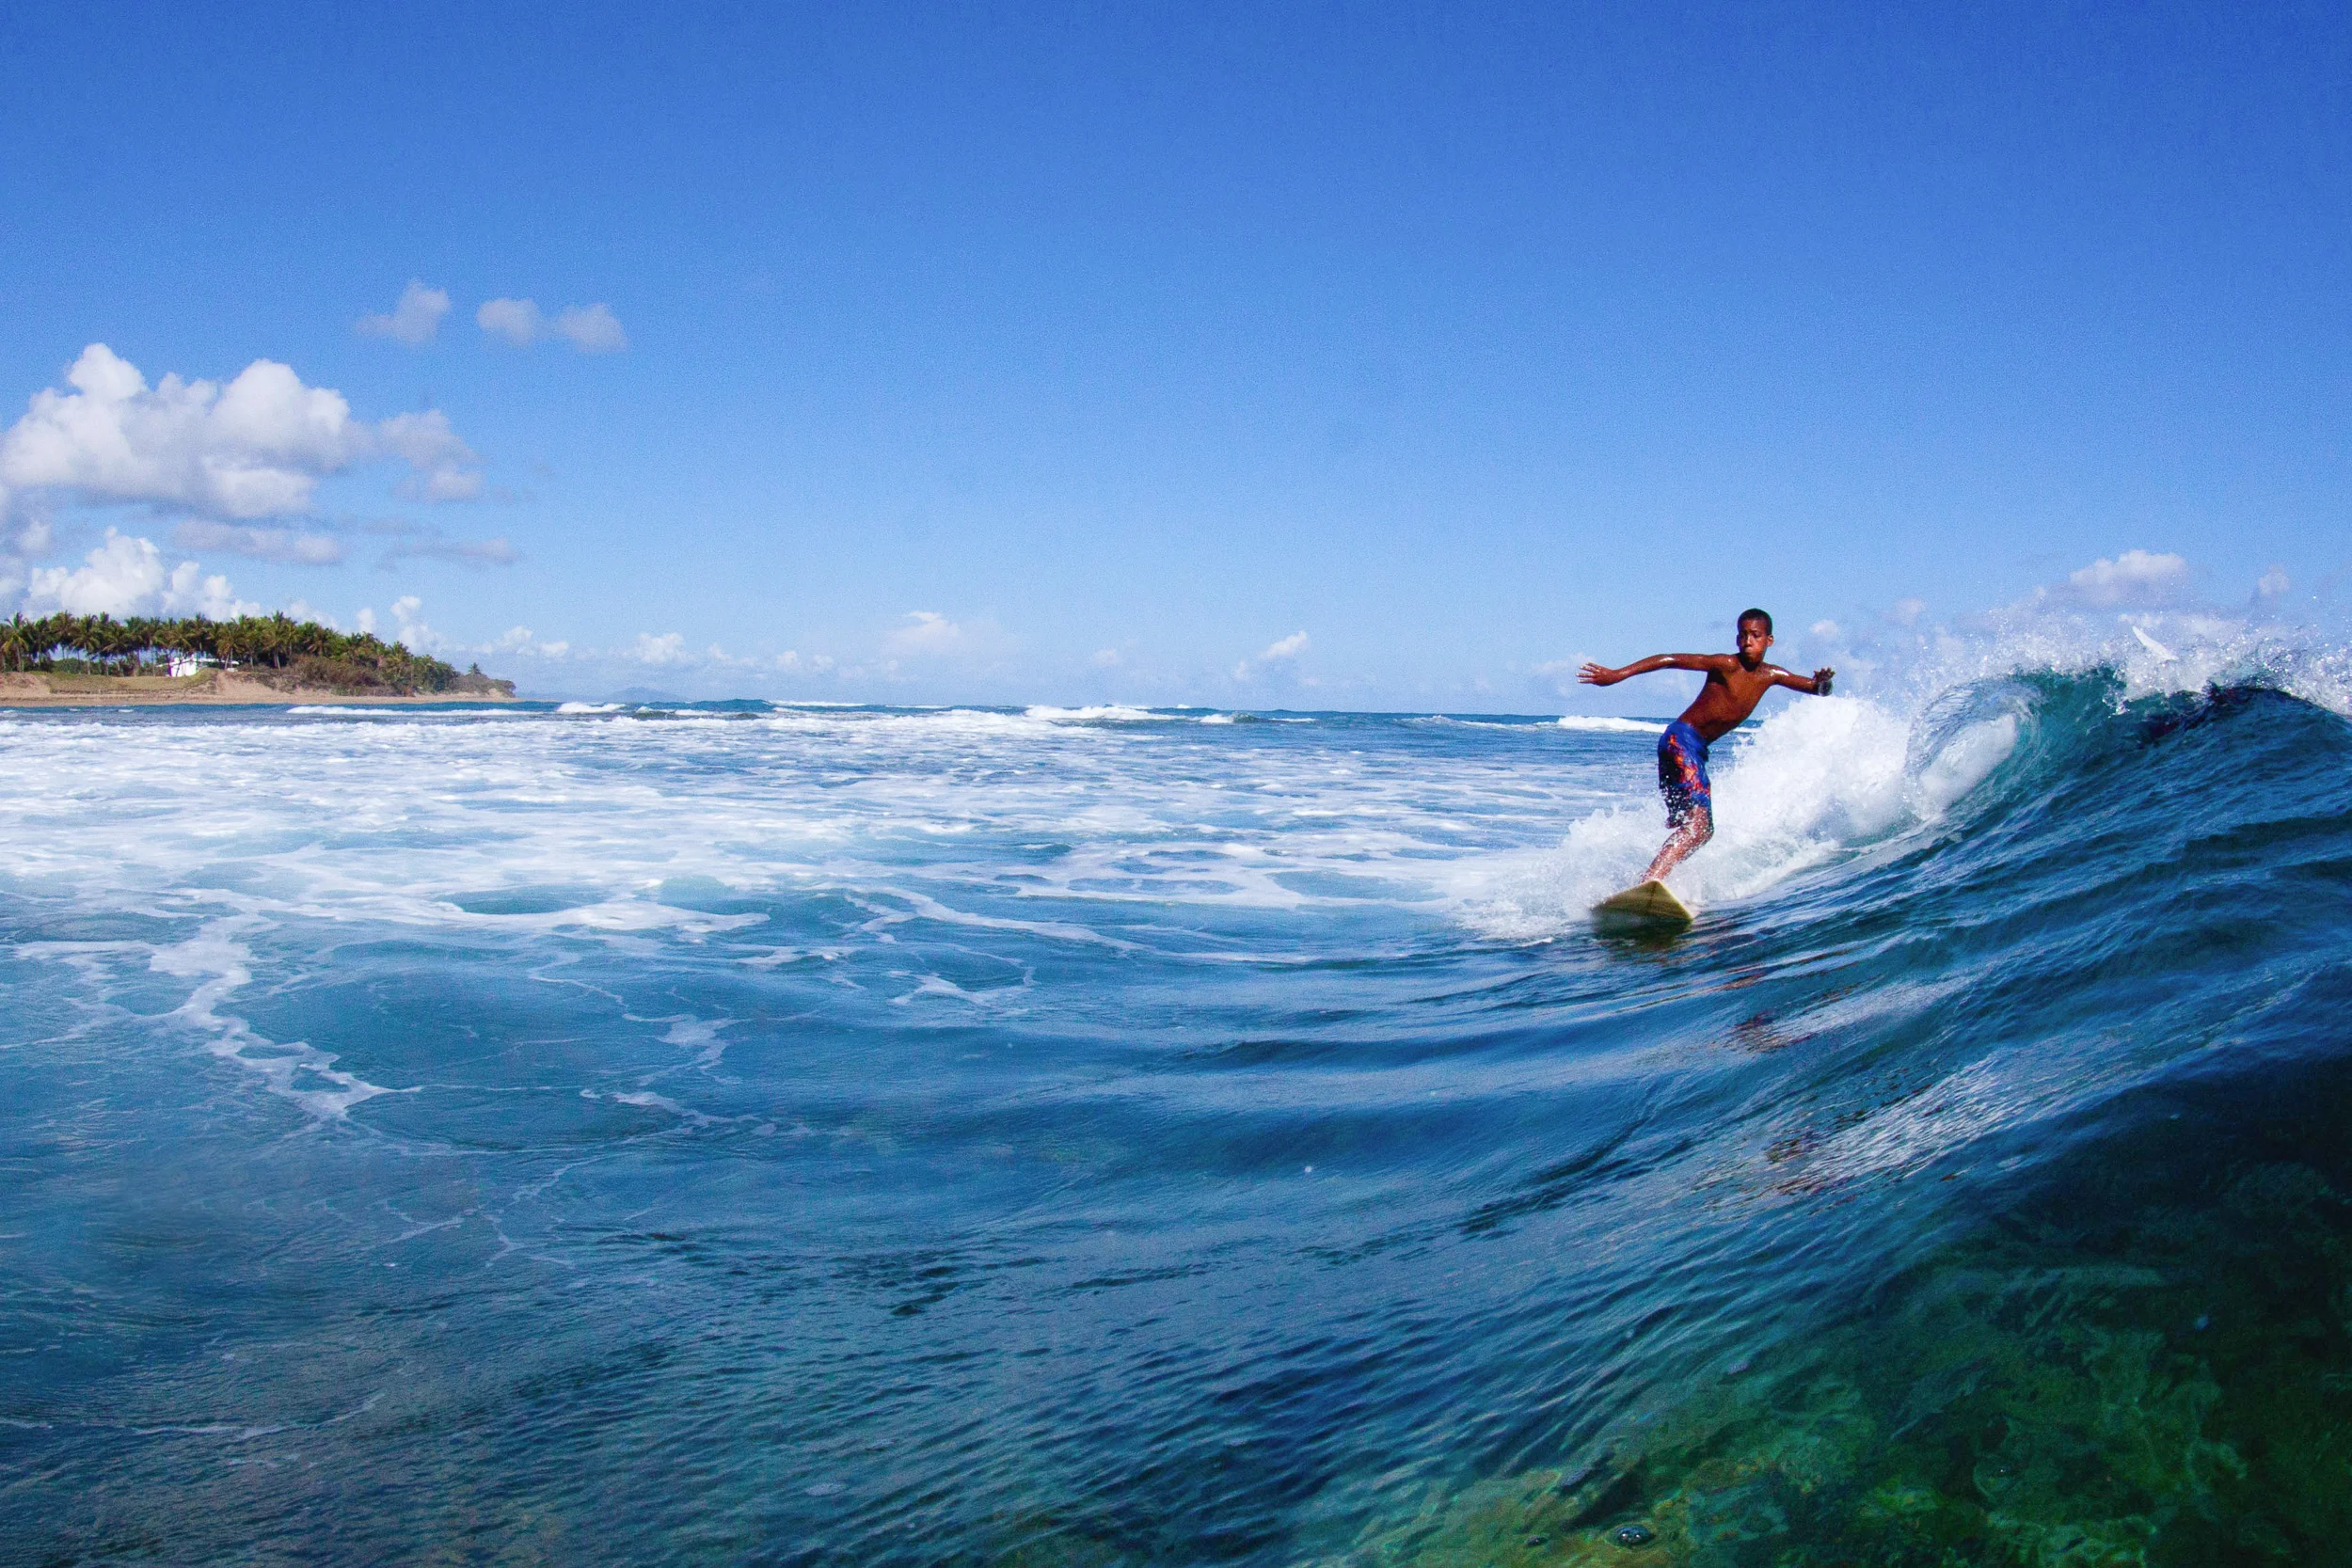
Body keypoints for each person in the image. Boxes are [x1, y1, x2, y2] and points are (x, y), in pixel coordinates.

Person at [1578, 609, 1835, 884]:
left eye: (1755, 636)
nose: (1748, 641)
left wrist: (1824, 683)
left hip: (1689, 750)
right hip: (1681, 743)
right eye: (1742, 635)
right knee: (1699, 828)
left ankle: (1653, 882)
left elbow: (1816, 690)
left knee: (1692, 827)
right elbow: (1671, 660)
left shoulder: (1771, 675)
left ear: (1769, 641)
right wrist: (1618, 674)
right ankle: (1649, 882)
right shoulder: (1726, 665)